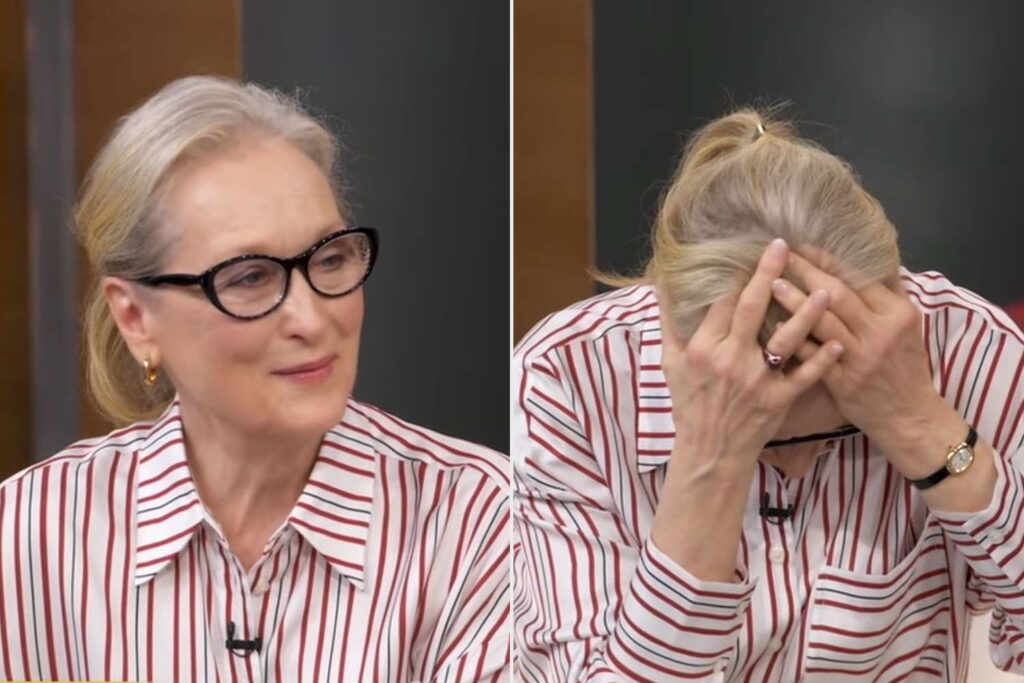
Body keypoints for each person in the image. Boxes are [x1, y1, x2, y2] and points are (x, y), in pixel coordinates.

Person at [0, 76, 509, 682]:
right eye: (249, 278)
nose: (311, 318)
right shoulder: (26, 534)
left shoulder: (485, 522)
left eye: (329, 260)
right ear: (135, 316)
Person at [512, 109, 1024, 681]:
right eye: (762, 429)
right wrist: (713, 463)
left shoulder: (966, 347)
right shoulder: (570, 376)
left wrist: (924, 429)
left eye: (841, 426)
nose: (797, 466)